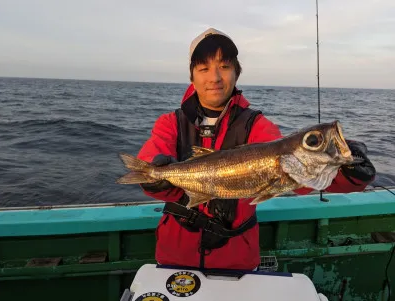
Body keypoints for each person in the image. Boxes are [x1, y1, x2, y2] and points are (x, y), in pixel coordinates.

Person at [136, 28, 376, 270]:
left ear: (237, 72)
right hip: (174, 255)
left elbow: (303, 177)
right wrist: (156, 176)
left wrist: (349, 174)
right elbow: (150, 158)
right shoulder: (170, 122)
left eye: (225, 66)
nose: (215, 77)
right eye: (203, 69)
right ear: (192, 76)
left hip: (236, 258)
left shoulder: (259, 126)